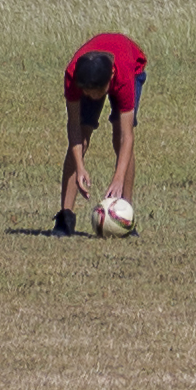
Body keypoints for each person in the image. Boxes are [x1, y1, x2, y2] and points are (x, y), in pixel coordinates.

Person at [54, 32, 146, 237]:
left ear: (110, 78)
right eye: (87, 92)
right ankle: (65, 218)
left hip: (133, 67)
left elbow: (127, 136)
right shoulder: (74, 77)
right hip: (92, 75)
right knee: (82, 139)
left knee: (119, 137)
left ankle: (125, 215)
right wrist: (79, 167)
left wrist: (118, 178)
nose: (91, 97)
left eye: (95, 92)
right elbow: (74, 126)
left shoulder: (122, 77)